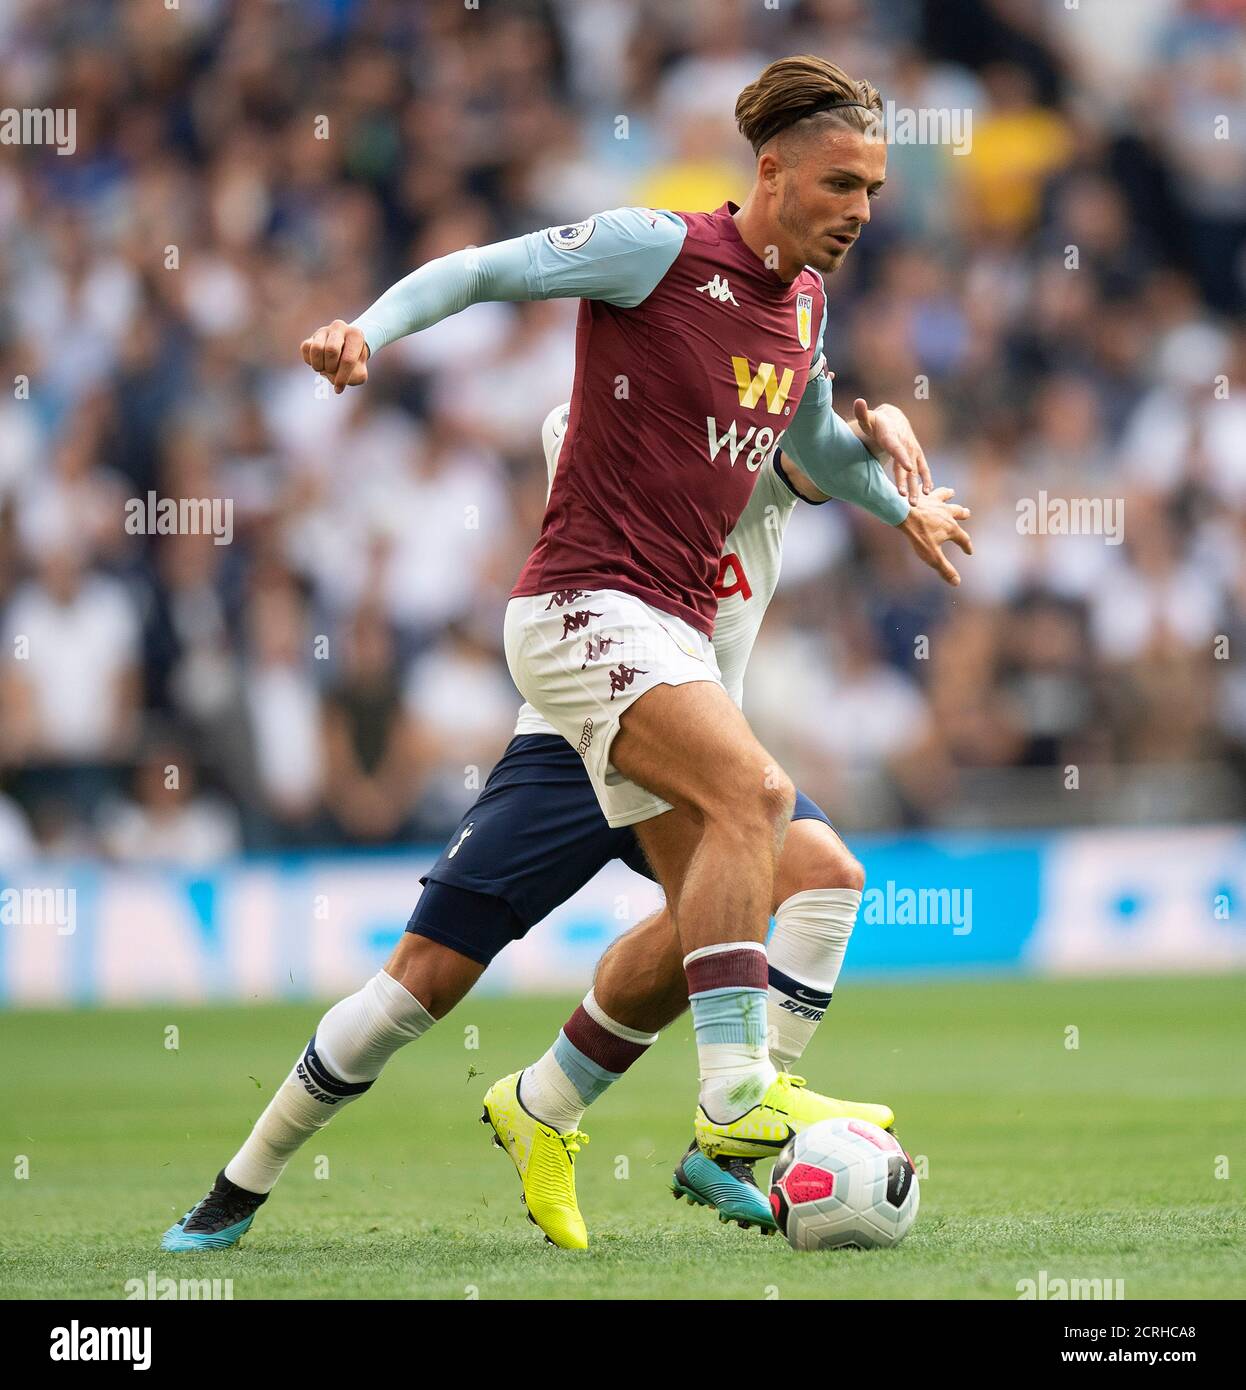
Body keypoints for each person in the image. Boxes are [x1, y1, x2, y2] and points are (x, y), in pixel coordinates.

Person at [163, 54, 972, 1252]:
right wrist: (366, 330)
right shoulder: (656, 250)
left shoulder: (799, 312)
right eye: (842, 183)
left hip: (659, 675)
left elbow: (815, 442)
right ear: (772, 170)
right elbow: (489, 270)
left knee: (797, 874)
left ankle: (562, 1105)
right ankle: (732, 1100)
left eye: (874, 190)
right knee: (731, 805)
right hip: (586, 622)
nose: (861, 210)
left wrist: (897, 501)